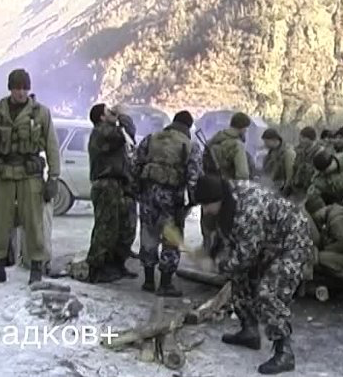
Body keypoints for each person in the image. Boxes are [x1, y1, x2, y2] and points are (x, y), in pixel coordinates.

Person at [193, 175, 313, 375]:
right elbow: (230, 238)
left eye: (207, 205)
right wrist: (212, 253)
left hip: (292, 242)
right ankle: (249, 330)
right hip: (268, 240)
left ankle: (284, 352)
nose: (205, 210)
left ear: (218, 199)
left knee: (268, 292)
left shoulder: (248, 209)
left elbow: (245, 256)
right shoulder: (227, 201)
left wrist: (217, 266)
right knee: (238, 278)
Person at [0, 69, 60, 285]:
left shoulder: (40, 113)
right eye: (17, 88)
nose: (21, 92)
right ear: (10, 88)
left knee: (34, 222)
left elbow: (52, 146)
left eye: (25, 88)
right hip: (3, 173)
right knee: (0, 221)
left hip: (29, 174)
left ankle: (36, 267)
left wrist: (54, 177)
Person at [133, 110, 202, 296]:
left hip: (148, 195)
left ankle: (148, 281)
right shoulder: (189, 145)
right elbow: (194, 177)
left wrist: (137, 189)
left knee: (148, 234)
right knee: (171, 238)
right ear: (188, 126)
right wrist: (193, 201)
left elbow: (135, 164)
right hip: (172, 199)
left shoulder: (151, 138)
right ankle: (165, 284)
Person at [81, 103, 137, 283]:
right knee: (106, 228)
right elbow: (127, 131)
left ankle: (116, 264)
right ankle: (96, 268)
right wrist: (122, 115)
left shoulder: (111, 132)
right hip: (107, 185)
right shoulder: (102, 131)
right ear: (102, 117)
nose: (112, 114)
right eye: (108, 112)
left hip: (120, 185)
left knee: (124, 227)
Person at [201, 112, 251, 251]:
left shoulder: (214, 140)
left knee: (209, 221)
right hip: (228, 189)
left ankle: (207, 248)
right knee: (225, 224)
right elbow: (242, 173)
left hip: (210, 187)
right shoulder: (236, 145)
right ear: (243, 128)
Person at [260, 128, 296, 194]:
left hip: (280, 187)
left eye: (266, 142)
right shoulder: (272, 151)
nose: (265, 144)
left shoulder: (287, 153)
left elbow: (289, 174)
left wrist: (286, 188)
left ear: (274, 140)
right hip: (271, 186)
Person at [289, 127, 321, 199]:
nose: (300, 141)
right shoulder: (301, 151)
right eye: (300, 138)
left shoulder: (318, 153)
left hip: (309, 191)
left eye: (303, 138)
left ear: (311, 139)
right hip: (297, 189)